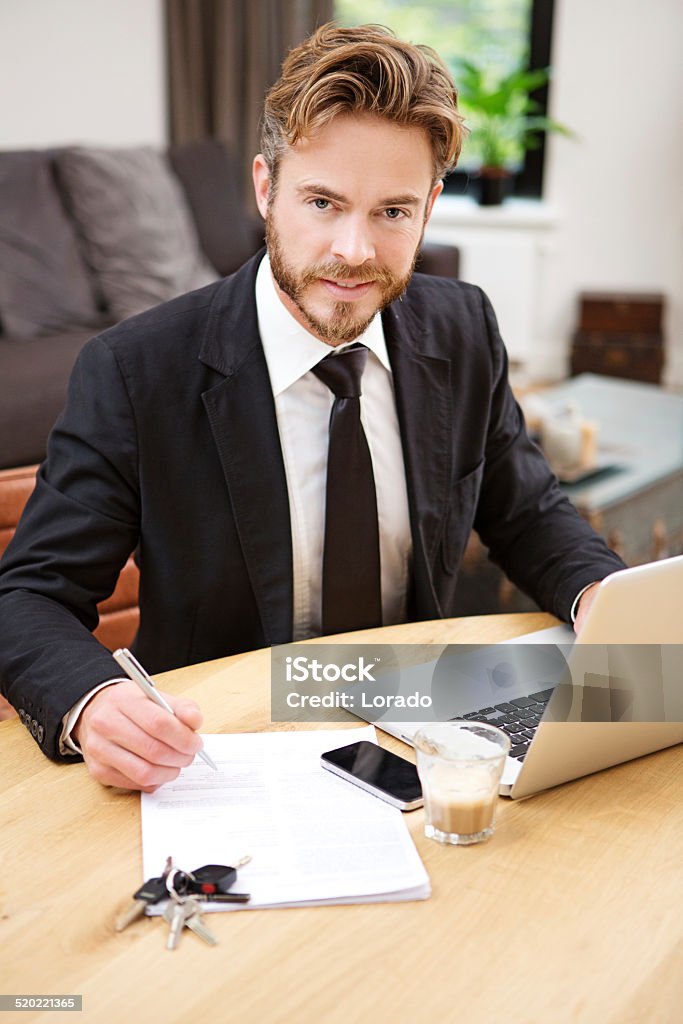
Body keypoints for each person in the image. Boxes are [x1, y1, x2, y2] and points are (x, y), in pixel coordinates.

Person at [0, 23, 624, 791]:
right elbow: (28, 595)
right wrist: (94, 705)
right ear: (265, 188)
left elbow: (526, 512)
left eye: (392, 211)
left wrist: (601, 596)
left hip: (427, 728)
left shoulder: (462, 327)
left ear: (429, 206)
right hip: (220, 751)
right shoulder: (135, 371)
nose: (354, 250)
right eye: (322, 201)